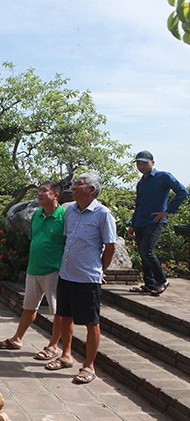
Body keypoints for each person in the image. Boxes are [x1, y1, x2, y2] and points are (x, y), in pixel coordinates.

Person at [45, 173, 116, 385]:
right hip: (66, 275)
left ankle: (89, 365)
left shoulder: (103, 214)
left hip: (87, 278)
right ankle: (66, 355)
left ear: (92, 190)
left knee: (91, 323)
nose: (74, 187)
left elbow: (110, 247)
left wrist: (100, 270)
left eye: (79, 184)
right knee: (64, 316)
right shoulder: (70, 212)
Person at [0, 181, 65, 361]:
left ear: (55, 195)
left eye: (44, 191)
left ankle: (53, 345)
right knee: (29, 307)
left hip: (53, 270)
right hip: (34, 268)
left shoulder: (64, 216)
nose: (39, 194)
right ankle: (17, 339)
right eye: (39, 191)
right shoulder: (37, 215)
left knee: (57, 311)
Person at [128, 150, 188, 296]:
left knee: (146, 251)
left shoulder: (163, 177)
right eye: (138, 163)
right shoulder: (141, 183)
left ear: (152, 163)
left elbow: (183, 192)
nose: (141, 166)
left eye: (144, 163)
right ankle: (149, 284)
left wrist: (167, 211)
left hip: (155, 221)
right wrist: (133, 225)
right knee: (142, 252)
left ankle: (162, 280)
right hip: (141, 221)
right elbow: (139, 205)